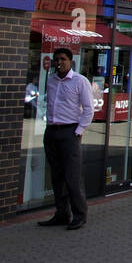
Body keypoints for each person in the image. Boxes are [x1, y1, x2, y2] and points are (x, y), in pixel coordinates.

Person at [37, 48, 94, 230]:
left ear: (70, 61)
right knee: (56, 176)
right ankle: (62, 213)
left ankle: (79, 215)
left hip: (70, 132)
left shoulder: (80, 81)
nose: (59, 62)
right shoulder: (52, 81)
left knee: (72, 177)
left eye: (62, 59)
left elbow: (88, 109)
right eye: (56, 59)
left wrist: (78, 131)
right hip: (52, 131)